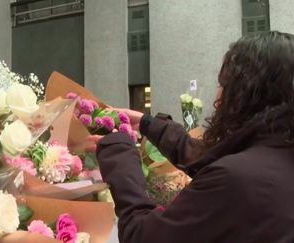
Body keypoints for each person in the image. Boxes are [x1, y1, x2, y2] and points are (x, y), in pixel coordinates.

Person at [88, 31, 294, 242]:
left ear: (248, 95)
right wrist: (146, 124)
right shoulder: (278, 154)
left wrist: (118, 153)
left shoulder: (239, 180)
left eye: (224, 86)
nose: (218, 98)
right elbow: (206, 157)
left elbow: (142, 236)